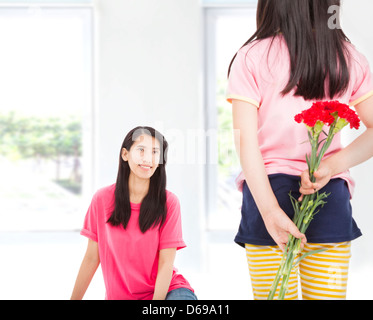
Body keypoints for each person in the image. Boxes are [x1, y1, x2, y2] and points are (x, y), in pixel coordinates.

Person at [227, 0, 373, 300]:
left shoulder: (251, 57)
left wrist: (269, 212)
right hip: (328, 197)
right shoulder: (348, 57)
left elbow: (245, 140)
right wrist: (331, 167)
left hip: (268, 193)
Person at [71, 126, 196, 300]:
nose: (148, 158)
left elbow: (166, 263)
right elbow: (92, 258)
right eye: (141, 150)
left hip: (168, 292)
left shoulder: (169, 203)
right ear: (125, 154)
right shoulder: (102, 199)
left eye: (154, 152)